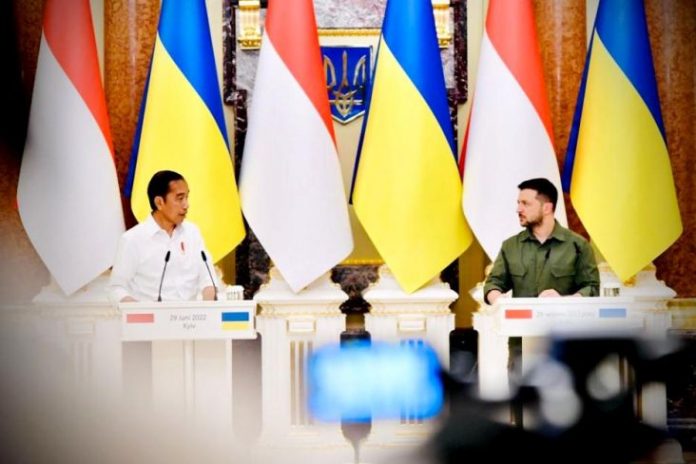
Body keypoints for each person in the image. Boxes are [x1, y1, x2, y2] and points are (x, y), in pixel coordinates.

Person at [108, 170, 219, 303]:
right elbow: (116, 288)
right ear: (159, 202)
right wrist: (138, 311)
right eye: (180, 198)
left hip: (191, 315)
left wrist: (208, 307)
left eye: (187, 197)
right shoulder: (133, 239)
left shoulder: (192, 232)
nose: (186, 205)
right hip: (151, 314)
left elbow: (208, 280)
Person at [484, 178, 599, 305]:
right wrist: (498, 300)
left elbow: (592, 288)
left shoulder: (578, 245)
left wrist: (565, 301)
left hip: (564, 317)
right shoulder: (510, 246)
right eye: (518, 203)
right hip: (523, 317)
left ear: (547, 208)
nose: (518, 209)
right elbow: (493, 284)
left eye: (525, 203)